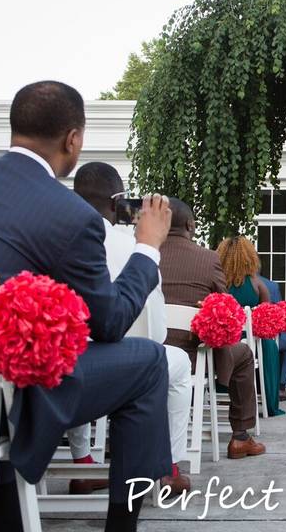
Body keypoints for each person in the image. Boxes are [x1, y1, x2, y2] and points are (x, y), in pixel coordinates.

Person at [0, 81, 171, 532]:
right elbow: (111, 321)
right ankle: (122, 526)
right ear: (73, 140)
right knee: (149, 361)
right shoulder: (69, 215)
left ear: (15, 127)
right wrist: (147, 248)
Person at [68, 162, 194, 495]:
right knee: (177, 364)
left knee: (71, 348)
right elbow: (156, 333)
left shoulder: (58, 235)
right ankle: (170, 465)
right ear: (117, 202)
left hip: (65, 366)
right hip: (128, 363)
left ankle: (81, 461)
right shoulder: (133, 246)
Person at [161, 201, 266, 460]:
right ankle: (240, 437)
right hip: (193, 357)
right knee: (243, 354)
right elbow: (225, 304)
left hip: (144, 351)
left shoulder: (143, 253)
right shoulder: (207, 259)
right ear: (190, 225)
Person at [217, 237, 286, 416]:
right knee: (269, 345)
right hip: (250, 342)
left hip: (222, 340)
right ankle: (269, 402)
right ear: (249, 256)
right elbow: (266, 314)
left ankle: (221, 390)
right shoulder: (256, 283)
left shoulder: (217, 280)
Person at [257, 269, 286, 402]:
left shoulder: (230, 281)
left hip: (238, 339)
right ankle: (280, 387)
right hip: (266, 339)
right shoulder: (271, 286)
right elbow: (278, 314)